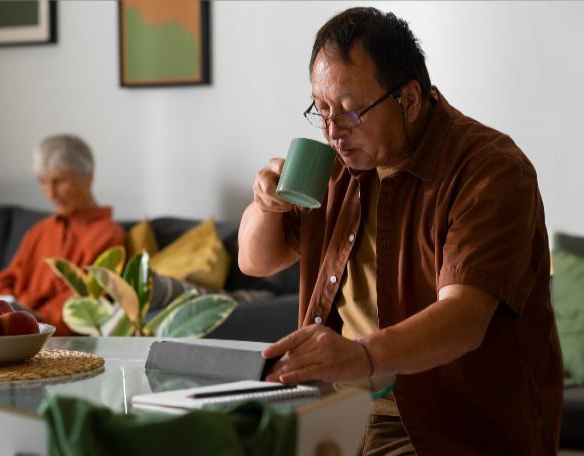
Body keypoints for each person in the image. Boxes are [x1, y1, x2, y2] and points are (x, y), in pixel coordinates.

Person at [237, 7, 561, 455]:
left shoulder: (489, 170)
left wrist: (360, 357)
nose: (332, 132)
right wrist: (263, 205)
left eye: (350, 111)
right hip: (334, 407)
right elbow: (256, 261)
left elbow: (464, 319)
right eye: (321, 109)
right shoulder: (337, 165)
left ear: (408, 99)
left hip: (445, 425)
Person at [0, 134, 125, 336]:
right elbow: (5, 281)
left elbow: (86, 298)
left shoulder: (108, 235)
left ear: (87, 180)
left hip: (45, 334)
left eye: (59, 182)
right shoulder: (39, 231)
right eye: (43, 182)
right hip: (10, 327)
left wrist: (32, 321)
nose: (50, 193)